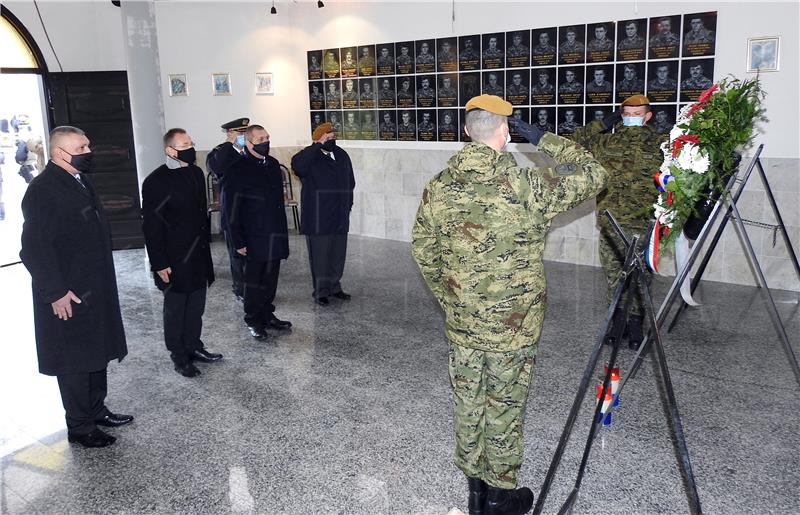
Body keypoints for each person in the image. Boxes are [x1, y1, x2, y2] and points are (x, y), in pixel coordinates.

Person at [411, 94, 607, 515]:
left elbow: (424, 249)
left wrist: (451, 299)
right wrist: (546, 140)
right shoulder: (528, 186)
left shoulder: (440, 186)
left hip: (463, 320)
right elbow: (594, 173)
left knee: (468, 399)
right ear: (505, 132)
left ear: (467, 131)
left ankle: (474, 493)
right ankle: (500, 495)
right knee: (504, 404)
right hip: (514, 325)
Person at [20, 125, 132, 448]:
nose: (88, 152)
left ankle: (97, 409)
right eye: (81, 148)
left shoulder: (79, 180)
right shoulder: (42, 190)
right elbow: (34, 248)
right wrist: (54, 292)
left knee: (96, 351)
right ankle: (80, 426)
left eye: (87, 145)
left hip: (92, 286)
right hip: (66, 290)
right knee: (75, 359)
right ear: (59, 154)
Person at [568, 94, 667, 349]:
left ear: (648, 116)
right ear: (621, 116)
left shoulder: (662, 144)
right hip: (613, 225)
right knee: (621, 276)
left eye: (637, 114)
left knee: (631, 276)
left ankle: (633, 323)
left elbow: (572, 142)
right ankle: (621, 322)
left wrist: (599, 125)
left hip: (641, 224)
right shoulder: (609, 142)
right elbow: (571, 145)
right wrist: (602, 125)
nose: (632, 118)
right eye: (628, 114)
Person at [142, 129, 222, 378]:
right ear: (170, 150)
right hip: (174, 257)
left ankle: (194, 346)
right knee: (176, 309)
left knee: (196, 305)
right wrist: (159, 263)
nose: (191, 147)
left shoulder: (196, 173)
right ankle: (179, 355)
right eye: (185, 144)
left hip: (198, 253)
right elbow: (152, 226)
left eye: (191, 142)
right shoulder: (156, 181)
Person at [216, 124, 292, 339]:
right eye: (260, 140)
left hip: (274, 233)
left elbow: (278, 203)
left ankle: (267, 314)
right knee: (253, 283)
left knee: (270, 280)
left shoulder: (273, 165)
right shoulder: (236, 168)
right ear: (248, 143)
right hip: (251, 236)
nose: (265, 142)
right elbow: (231, 209)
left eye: (267, 138)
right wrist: (237, 241)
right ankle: (253, 319)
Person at [290, 122, 355, 305]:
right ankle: (321, 291)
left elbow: (350, 181)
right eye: (327, 137)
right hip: (319, 216)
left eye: (333, 136)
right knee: (320, 256)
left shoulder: (341, 154)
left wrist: (348, 203)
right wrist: (317, 145)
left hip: (340, 214)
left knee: (337, 253)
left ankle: (335, 286)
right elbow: (298, 166)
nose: (331, 139)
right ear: (318, 138)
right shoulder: (309, 156)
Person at [207, 117, 250, 302]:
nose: (243, 137)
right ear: (230, 134)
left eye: (245, 134)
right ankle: (240, 289)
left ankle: (254, 287)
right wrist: (228, 144)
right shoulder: (219, 153)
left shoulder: (251, 150)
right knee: (237, 254)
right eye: (240, 134)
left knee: (252, 254)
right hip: (232, 211)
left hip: (251, 211)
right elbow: (215, 167)